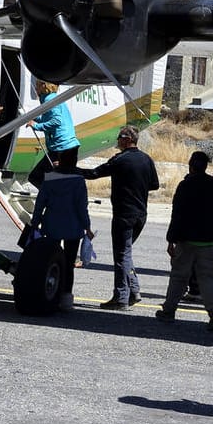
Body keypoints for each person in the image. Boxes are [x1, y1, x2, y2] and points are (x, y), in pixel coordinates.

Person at [82, 125, 160, 309]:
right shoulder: (146, 159)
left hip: (124, 215)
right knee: (126, 253)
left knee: (121, 256)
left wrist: (69, 169)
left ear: (126, 139)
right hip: (141, 215)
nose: (117, 141)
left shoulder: (120, 160)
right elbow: (154, 185)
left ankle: (121, 297)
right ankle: (134, 291)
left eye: (119, 138)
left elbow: (94, 173)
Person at [156, 151, 213, 330]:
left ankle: (169, 310)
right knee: (207, 279)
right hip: (207, 242)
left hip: (186, 240)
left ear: (191, 165)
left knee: (179, 276)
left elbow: (177, 214)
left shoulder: (185, 186)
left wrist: (171, 240)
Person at [28, 149, 93, 310]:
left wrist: (35, 223)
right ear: (75, 161)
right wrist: (87, 226)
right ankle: (65, 298)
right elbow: (81, 208)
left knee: (49, 260)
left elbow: (40, 204)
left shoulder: (50, 179)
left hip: (52, 226)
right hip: (73, 227)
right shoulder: (78, 181)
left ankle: (49, 292)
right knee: (69, 263)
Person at [27, 79, 80, 188]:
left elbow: (56, 121)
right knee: (43, 178)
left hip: (62, 148)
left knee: (36, 177)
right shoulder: (51, 98)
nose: (35, 87)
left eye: (37, 85)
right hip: (62, 147)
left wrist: (36, 126)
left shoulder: (49, 100)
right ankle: (54, 198)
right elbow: (48, 118)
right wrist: (34, 117)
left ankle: (54, 198)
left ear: (43, 85)